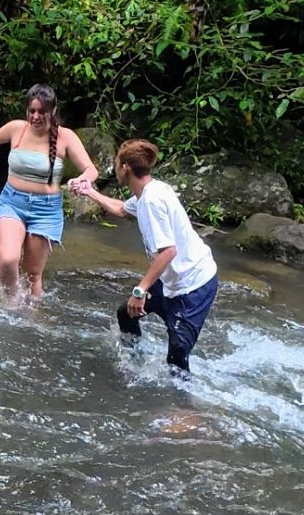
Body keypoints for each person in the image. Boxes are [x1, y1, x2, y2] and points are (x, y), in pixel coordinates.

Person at [70, 138, 218, 373]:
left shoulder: (151, 200)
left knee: (177, 360)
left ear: (125, 167)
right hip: (174, 280)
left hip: (194, 285)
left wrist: (140, 291)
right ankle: (134, 363)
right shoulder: (150, 190)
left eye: (117, 163)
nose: (116, 168)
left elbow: (168, 251)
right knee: (126, 314)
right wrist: (89, 192)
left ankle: (187, 408)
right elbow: (120, 209)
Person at [0, 84, 97, 300]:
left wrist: (82, 180)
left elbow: (91, 170)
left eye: (41, 112)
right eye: (31, 111)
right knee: (8, 260)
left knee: (32, 275)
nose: (35, 116)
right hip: (12, 202)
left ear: (53, 111)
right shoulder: (17, 128)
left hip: (45, 210)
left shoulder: (66, 137)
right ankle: (12, 304)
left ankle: (32, 316)